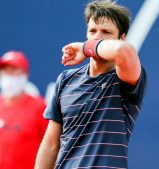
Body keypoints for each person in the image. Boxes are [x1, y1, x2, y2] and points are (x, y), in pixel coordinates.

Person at [34, 0, 147, 169]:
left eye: (106, 32)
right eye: (92, 31)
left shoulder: (125, 77)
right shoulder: (65, 79)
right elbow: (50, 145)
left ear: (122, 38)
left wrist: (85, 48)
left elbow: (123, 51)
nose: (97, 37)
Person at [0, 51, 48, 169]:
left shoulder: (40, 107)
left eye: (14, 71)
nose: (9, 76)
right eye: (6, 71)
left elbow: (52, 146)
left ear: (25, 74)